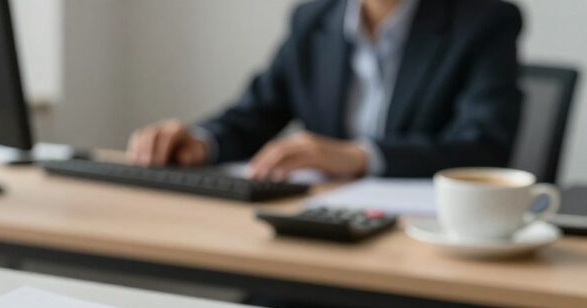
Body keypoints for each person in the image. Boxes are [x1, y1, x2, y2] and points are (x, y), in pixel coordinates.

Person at [126, 0, 524, 180]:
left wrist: (359, 157)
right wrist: (201, 141)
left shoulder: (486, 22)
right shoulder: (313, 19)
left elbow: (483, 146)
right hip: (316, 242)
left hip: (422, 258)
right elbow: (257, 112)